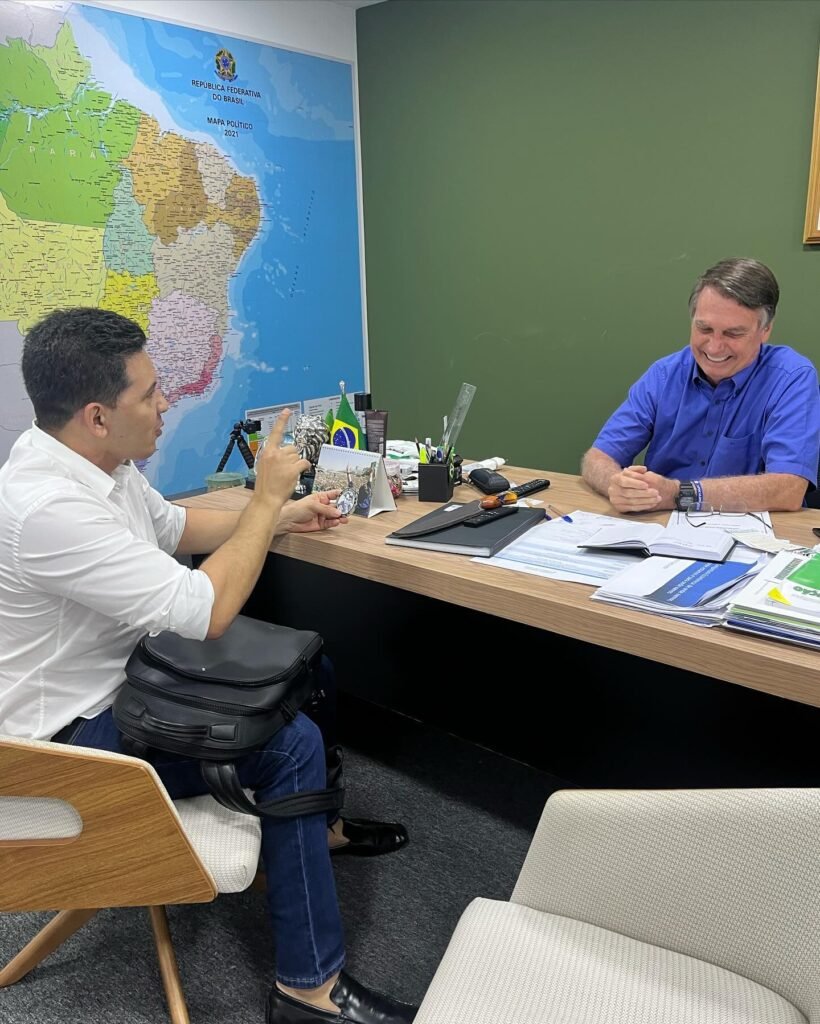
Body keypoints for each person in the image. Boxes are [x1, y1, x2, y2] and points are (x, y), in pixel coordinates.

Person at [0, 307, 415, 1024]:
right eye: (150, 394)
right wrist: (267, 496)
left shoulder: (99, 465)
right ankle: (308, 991)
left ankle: (315, 832)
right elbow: (206, 609)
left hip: (128, 681)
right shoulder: (46, 508)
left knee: (306, 670)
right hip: (64, 747)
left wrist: (282, 515)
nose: (167, 403)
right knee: (290, 746)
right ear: (97, 417)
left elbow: (179, 527)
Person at [581, 258, 820, 514]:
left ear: (766, 330)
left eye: (733, 333)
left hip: (753, 532)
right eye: (704, 328)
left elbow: (789, 489)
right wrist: (616, 485)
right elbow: (597, 458)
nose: (714, 347)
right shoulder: (664, 374)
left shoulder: (791, 377)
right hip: (660, 527)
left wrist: (677, 494)